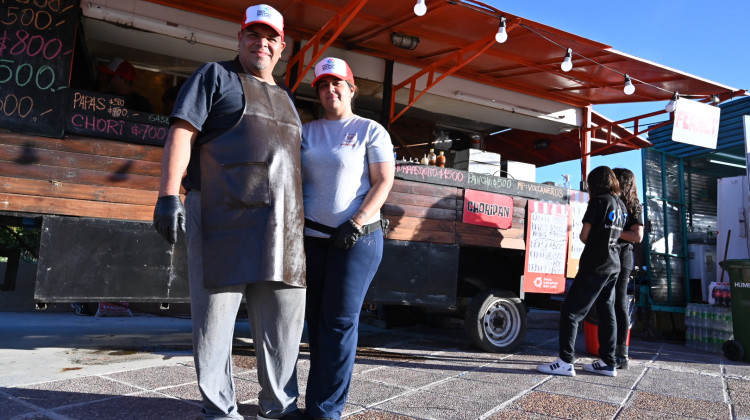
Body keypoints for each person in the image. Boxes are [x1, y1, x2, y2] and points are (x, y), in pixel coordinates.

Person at [152, 5, 306, 420]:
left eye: (270, 37)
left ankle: (279, 407)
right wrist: (169, 194)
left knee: (284, 323)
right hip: (222, 215)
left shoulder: (290, 100)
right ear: (239, 39)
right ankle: (220, 409)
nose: (262, 43)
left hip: (281, 226)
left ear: (281, 47)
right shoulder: (214, 77)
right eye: (253, 35)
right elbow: (181, 132)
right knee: (214, 323)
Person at [301, 57, 395, 420]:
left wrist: (356, 222)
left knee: (339, 322)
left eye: (337, 83)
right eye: (323, 85)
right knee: (316, 321)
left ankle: (328, 410)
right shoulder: (307, 132)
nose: (330, 90)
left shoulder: (370, 130)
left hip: (357, 238)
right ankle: (314, 405)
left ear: (352, 89)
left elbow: (383, 181)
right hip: (313, 238)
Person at [537, 166, 626, 377]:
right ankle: (608, 362)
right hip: (614, 264)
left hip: (595, 264)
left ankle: (565, 362)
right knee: (607, 311)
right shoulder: (621, 204)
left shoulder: (599, 201)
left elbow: (584, 236)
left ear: (594, 183)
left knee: (571, 311)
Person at [612, 168, 644, 369]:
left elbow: (638, 236)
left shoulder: (634, 206)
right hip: (609, 255)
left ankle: (621, 353)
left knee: (619, 303)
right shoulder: (612, 201)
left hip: (623, 256)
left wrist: (613, 231)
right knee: (609, 303)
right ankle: (608, 349)